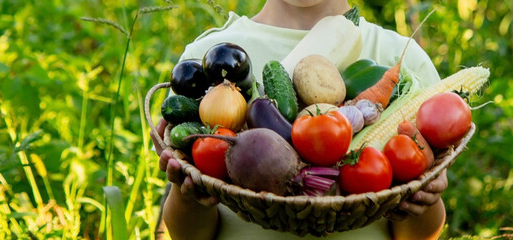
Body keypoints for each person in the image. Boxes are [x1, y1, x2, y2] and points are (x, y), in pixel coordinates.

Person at [151, 0, 447, 239]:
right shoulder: (208, 57)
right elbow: (187, 233)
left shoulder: (404, 58)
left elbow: (420, 234)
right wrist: (186, 192)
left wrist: (424, 202)